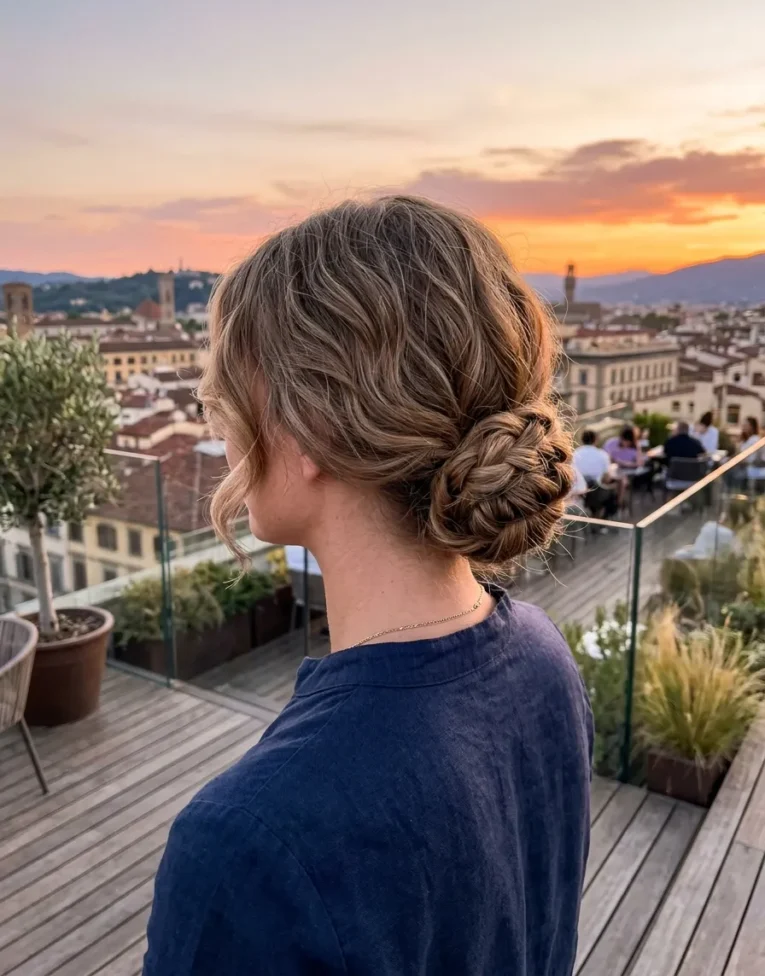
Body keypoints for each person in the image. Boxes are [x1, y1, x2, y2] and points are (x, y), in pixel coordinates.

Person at [143, 196, 593, 976]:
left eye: (230, 393)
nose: (221, 427)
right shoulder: (542, 660)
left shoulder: (252, 841)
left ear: (307, 428)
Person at [573, 430, 621, 516]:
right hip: (596, 491)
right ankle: (606, 520)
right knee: (613, 491)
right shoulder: (602, 454)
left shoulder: (575, 454)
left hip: (579, 491)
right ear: (596, 439)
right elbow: (607, 477)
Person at [740, 416, 765, 482]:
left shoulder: (755, 439)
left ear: (751, 426)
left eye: (745, 425)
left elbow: (751, 459)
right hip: (745, 468)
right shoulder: (744, 441)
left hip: (751, 469)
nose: (743, 426)